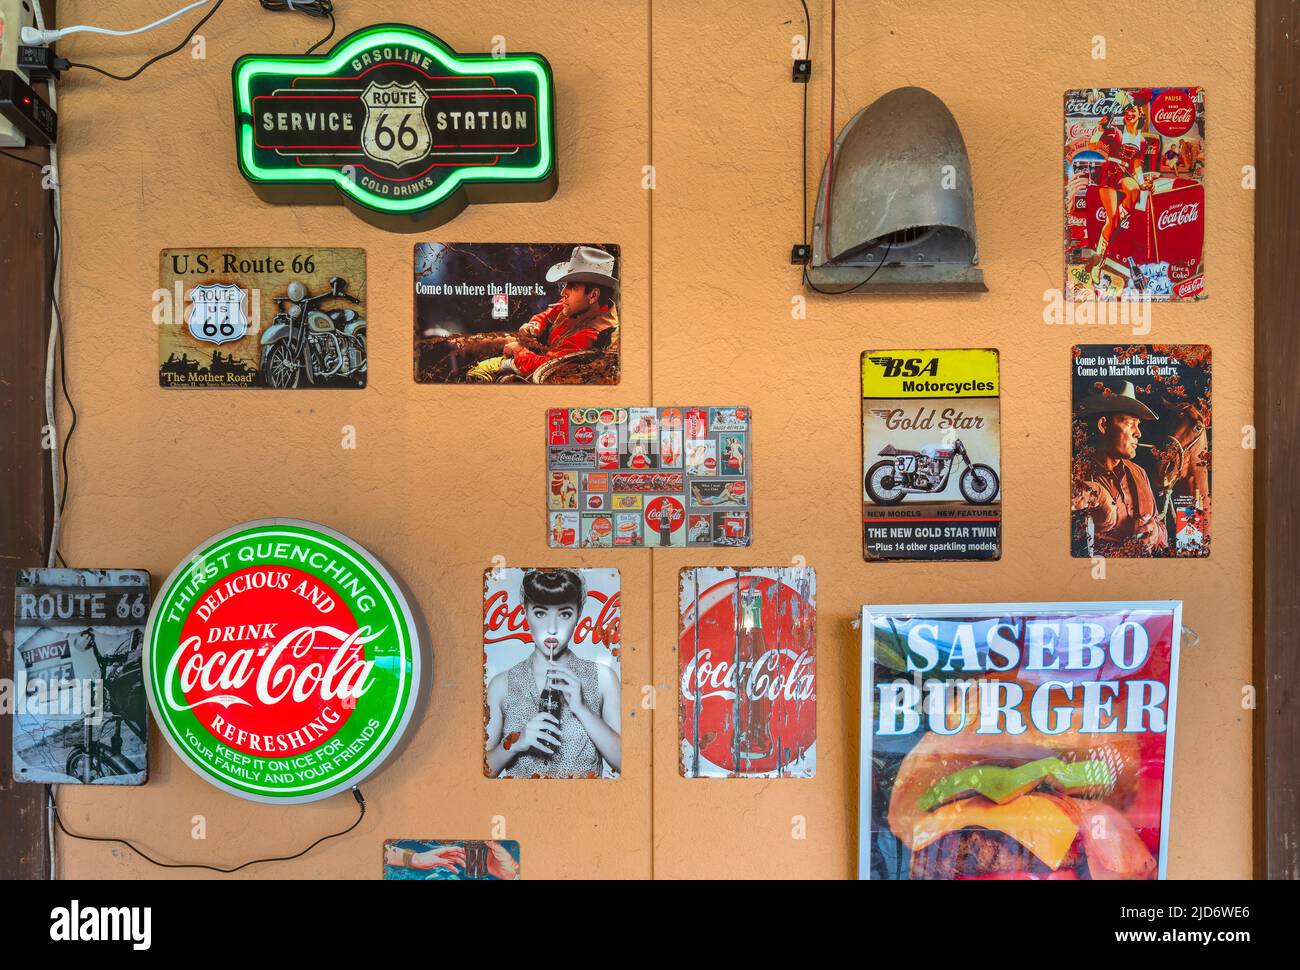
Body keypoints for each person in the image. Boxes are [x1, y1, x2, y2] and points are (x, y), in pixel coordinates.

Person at [484, 569, 621, 778]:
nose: (552, 628)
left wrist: (582, 709)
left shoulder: (603, 679)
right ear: (525, 611)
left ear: (579, 612)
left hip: (587, 807)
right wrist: (515, 743)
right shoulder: (502, 684)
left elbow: (625, 762)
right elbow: (483, 772)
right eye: (540, 613)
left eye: (564, 614)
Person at [466, 246, 619, 382]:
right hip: (535, 353)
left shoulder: (591, 335)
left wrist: (517, 350)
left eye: (572, 286)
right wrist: (534, 326)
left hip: (537, 368)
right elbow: (549, 313)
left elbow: (546, 367)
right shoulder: (580, 306)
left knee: (481, 372)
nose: (563, 292)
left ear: (593, 295)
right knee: (480, 346)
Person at [1073, 380, 1167, 555]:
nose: (1138, 433)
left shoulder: (1140, 473)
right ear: (1104, 425)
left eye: (1138, 425)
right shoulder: (1076, 471)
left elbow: (1161, 527)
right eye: (1131, 423)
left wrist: (1156, 533)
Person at [1087, 93, 1158, 286]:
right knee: (1114, 220)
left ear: (1140, 113)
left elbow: (1136, 167)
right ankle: (1097, 265)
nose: (1129, 114)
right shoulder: (1115, 130)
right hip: (1108, 171)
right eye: (1126, 111)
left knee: (1134, 190)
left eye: (1132, 111)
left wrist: (1143, 183)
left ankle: (1117, 221)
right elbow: (1093, 145)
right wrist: (1100, 128)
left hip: (1125, 174)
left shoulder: (1142, 141)